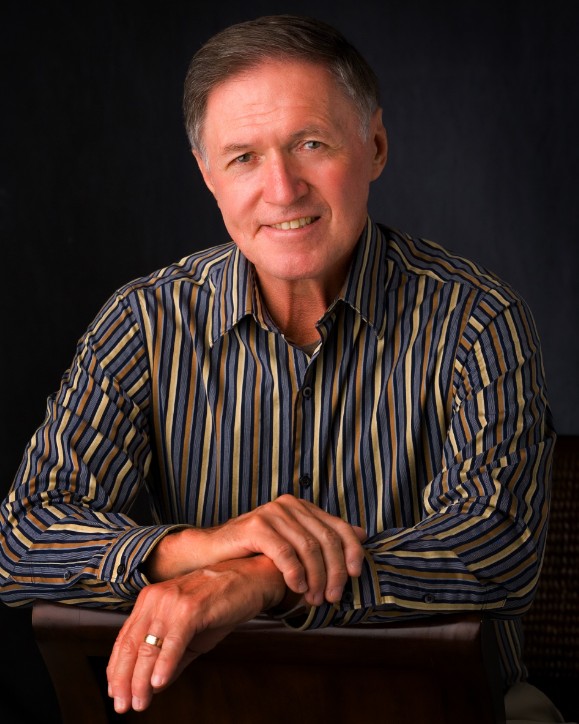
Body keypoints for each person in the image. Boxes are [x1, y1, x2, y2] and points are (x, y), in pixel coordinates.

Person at [0, 14, 563, 722]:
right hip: (211, 709)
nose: (282, 188)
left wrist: (264, 581)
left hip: (444, 709)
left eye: (310, 144)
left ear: (375, 146)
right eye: (242, 157)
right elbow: (28, 534)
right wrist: (204, 549)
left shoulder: (478, 319)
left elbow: (497, 547)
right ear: (208, 176)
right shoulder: (143, 321)